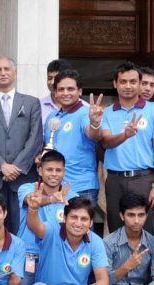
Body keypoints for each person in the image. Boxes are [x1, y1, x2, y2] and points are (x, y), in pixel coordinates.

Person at [94, 61, 154, 233]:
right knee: (116, 229)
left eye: (133, 82)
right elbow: (105, 142)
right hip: (114, 179)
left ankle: (147, 261)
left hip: (144, 179)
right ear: (115, 84)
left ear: (139, 83)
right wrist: (124, 135)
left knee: (147, 229)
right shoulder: (107, 112)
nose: (128, 86)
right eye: (123, 81)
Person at [0, 56, 43, 234]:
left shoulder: (31, 103)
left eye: (7, 69)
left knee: (23, 229)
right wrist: (2, 166)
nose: (3, 73)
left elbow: (35, 138)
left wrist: (17, 167)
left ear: (15, 73)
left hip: (23, 178)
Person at [16, 150, 77, 285]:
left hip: (56, 258)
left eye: (58, 170)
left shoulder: (72, 197)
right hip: (29, 255)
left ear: (64, 172)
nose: (54, 174)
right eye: (49, 169)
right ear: (40, 170)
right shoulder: (28, 188)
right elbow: (31, 201)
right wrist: (51, 199)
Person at [44, 70, 100, 203]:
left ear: (79, 91)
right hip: (55, 188)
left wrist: (95, 123)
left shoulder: (85, 114)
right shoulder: (52, 117)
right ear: (55, 93)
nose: (65, 93)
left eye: (70, 89)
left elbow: (94, 135)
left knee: (80, 224)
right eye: (61, 89)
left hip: (81, 187)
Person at [40, 59, 74, 124]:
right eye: (49, 78)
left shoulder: (84, 108)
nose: (52, 82)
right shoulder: (38, 106)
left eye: (56, 78)